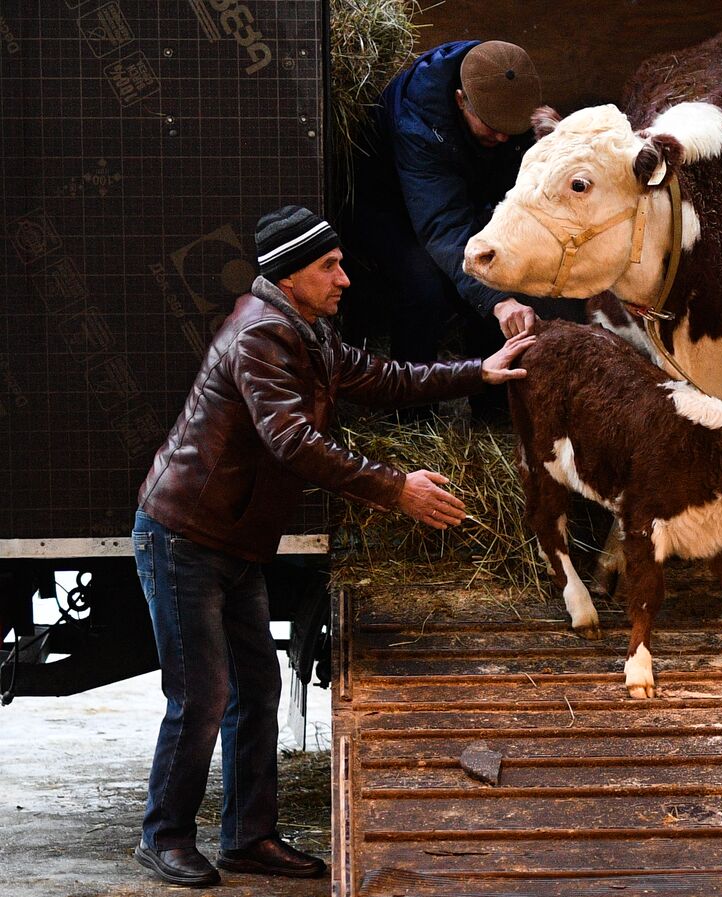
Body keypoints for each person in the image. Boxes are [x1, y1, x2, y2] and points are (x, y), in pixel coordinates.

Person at [130, 206, 534, 888]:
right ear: (290, 277)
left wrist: (479, 372)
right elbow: (291, 441)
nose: (344, 278)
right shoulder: (259, 335)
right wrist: (395, 487)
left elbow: (383, 378)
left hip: (233, 539)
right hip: (185, 537)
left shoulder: (305, 331)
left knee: (255, 689)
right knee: (201, 694)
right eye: (329, 266)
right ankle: (164, 835)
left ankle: (247, 837)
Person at [342, 39, 553, 365]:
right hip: (396, 203)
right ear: (460, 100)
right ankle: (413, 406)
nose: (503, 138)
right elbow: (444, 227)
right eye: (492, 126)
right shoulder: (419, 124)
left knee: (499, 266)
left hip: (466, 193)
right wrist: (497, 301)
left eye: (511, 129)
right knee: (422, 285)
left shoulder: (506, 88)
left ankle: (493, 405)